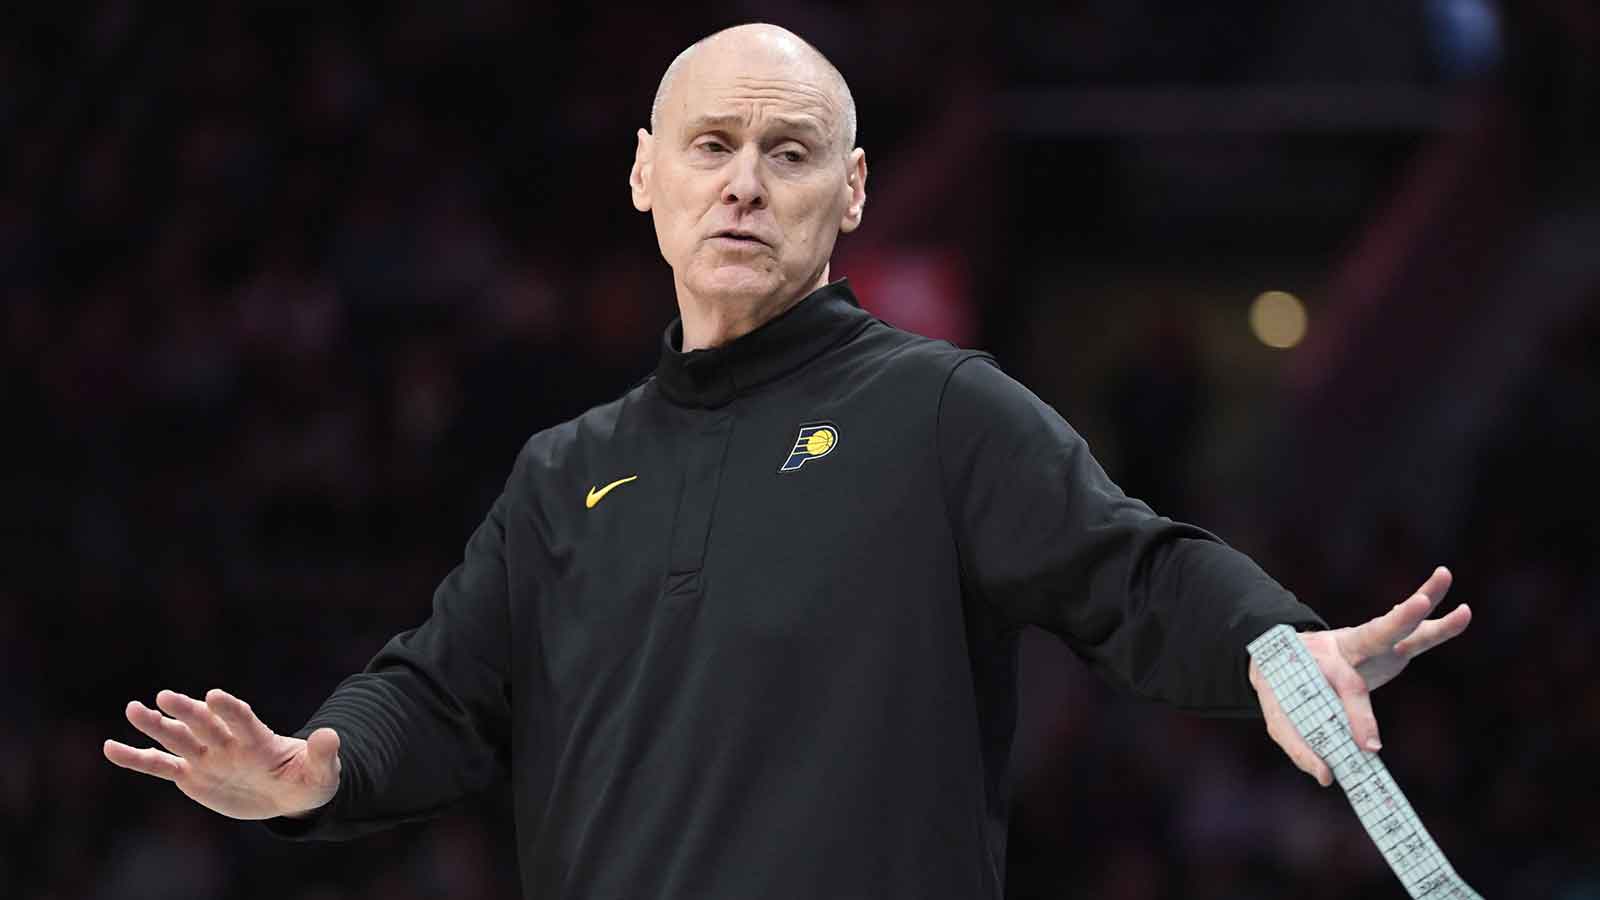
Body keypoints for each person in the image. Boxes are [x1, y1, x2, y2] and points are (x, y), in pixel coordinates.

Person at [103, 23, 1473, 899]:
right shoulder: (561, 473)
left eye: (789, 152)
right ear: (647, 176)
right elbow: (444, 695)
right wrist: (319, 766)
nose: (746, 182)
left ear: (856, 192)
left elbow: (1134, 570)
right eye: (712, 146)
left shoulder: (940, 412)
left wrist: (1275, 647)